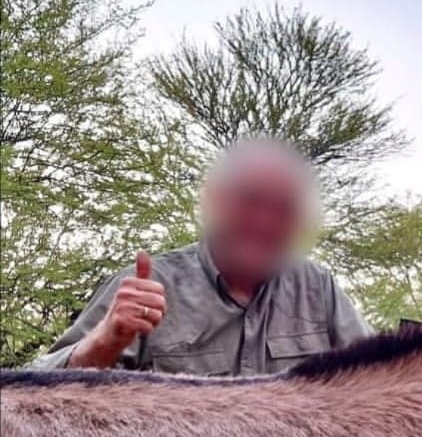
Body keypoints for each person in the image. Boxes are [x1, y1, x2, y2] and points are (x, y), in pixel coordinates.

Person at [32, 139, 372, 375]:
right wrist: (105, 341)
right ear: (214, 201)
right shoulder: (147, 285)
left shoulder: (317, 288)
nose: (265, 223)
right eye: (250, 201)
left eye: (282, 209)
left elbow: (382, 374)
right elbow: (38, 390)